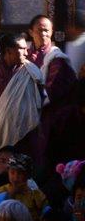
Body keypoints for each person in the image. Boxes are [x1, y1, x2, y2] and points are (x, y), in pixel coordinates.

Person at [0, 33, 45, 156]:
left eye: (26, 48)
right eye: (22, 48)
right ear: (8, 51)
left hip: (27, 135)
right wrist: (4, 121)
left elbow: (41, 100)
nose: (27, 52)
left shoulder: (31, 72)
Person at [27, 15, 78, 171]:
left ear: (52, 32)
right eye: (39, 30)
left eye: (46, 30)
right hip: (25, 117)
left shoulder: (57, 59)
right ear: (31, 32)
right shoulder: (24, 56)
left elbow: (54, 91)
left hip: (50, 119)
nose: (43, 34)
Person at [0, 153, 47, 221]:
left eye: (20, 173)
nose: (15, 177)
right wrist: (11, 193)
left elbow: (45, 211)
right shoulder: (2, 190)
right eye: (12, 172)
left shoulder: (35, 193)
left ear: (28, 175)